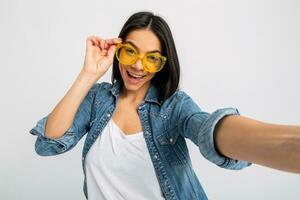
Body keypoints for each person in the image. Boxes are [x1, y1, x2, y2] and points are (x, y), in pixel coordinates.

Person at [29, 11, 300, 200]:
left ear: (163, 65)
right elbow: (48, 144)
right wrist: (88, 73)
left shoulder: (174, 106)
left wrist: (280, 144)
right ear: (118, 51)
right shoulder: (97, 100)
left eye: (151, 59)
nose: (137, 65)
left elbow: (207, 128)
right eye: (130, 52)